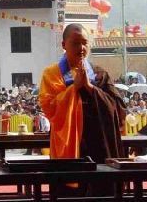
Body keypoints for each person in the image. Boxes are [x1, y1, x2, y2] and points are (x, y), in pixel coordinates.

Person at [40, 23, 125, 196]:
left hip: (99, 143)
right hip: (68, 144)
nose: (81, 48)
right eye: (75, 43)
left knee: (101, 192)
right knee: (69, 194)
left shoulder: (99, 74)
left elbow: (118, 108)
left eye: (84, 43)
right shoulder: (52, 74)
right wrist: (74, 88)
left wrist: (90, 88)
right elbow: (49, 108)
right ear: (64, 45)